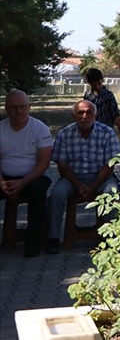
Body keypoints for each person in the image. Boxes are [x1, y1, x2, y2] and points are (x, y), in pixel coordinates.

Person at [47, 100, 120, 253]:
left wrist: (93, 187)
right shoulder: (65, 134)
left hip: (101, 178)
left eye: (89, 112)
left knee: (111, 193)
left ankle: (112, 239)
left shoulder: (107, 132)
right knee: (56, 195)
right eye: (80, 113)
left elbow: (110, 165)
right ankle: (52, 239)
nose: (84, 116)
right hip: (72, 178)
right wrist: (77, 185)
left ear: (96, 115)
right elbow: (62, 165)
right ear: (73, 116)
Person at [0, 90, 53, 257]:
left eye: (23, 107)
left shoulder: (40, 129)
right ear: (7, 109)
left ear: (29, 107)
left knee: (37, 192)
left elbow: (44, 162)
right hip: (4, 178)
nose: (19, 111)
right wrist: (1, 182)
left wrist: (23, 182)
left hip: (32, 177)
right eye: (14, 108)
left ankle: (33, 243)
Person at [83, 68, 120, 142]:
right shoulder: (87, 95)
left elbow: (116, 114)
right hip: (91, 132)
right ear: (89, 83)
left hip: (106, 132)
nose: (97, 86)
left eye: (98, 83)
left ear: (102, 80)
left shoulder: (108, 95)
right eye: (93, 84)